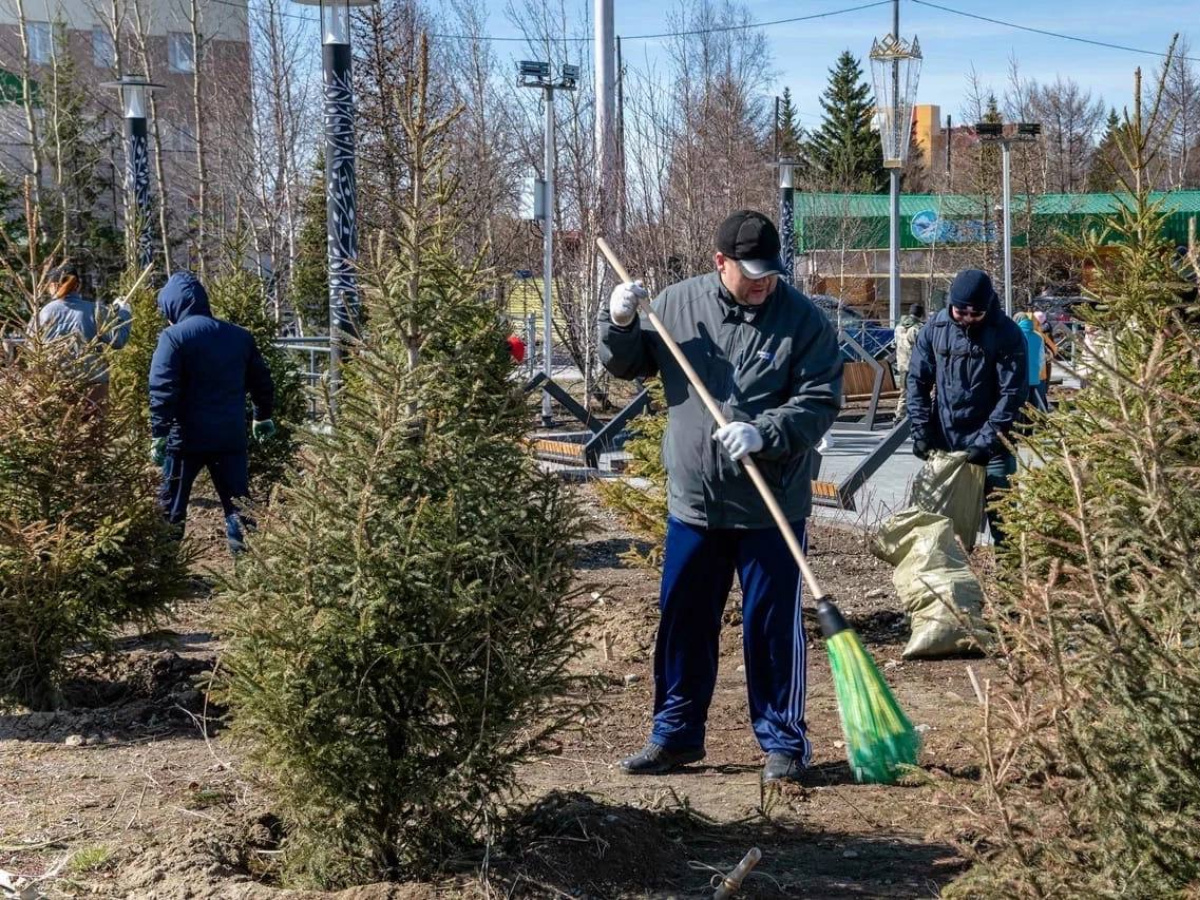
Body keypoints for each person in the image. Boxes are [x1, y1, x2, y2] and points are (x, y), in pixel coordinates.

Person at [599, 210, 843, 783]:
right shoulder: (678, 304)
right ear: (720, 263)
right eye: (750, 272)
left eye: (769, 273)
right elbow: (628, 363)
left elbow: (819, 399)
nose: (762, 283)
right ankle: (675, 734)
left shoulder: (802, 321)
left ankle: (783, 741)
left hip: (770, 505)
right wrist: (621, 320)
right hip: (694, 502)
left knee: (770, 626)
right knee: (683, 619)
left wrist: (768, 432)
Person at [149, 271, 275, 554]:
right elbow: (261, 380)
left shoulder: (173, 337)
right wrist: (262, 415)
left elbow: (162, 387)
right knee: (238, 506)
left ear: (172, 306)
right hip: (230, 438)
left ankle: (165, 569)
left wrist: (159, 431)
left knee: (172, 506)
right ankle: (247, 571)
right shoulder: (239, 336)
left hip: (185, 441)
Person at [907, 269, 1027, 547]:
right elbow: (917, 382)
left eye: (976, 314)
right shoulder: (934, 329)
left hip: (993, 445)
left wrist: (987, 442)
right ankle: (946, 581)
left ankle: (1010, 582)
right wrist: (921, 430)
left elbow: (1012, 394)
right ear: (951, 304)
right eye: (962, 313)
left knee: (1004, 521)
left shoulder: (1007, 333)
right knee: (937, 523)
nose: (968, 320)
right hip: (944, 439)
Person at [30, 263, 132, 406]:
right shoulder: (94, 310)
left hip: (54, 388)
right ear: (77, 285)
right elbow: (118, 340)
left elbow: (30, 351)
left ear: (51, 286)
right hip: (93, 388)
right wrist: (123, 313)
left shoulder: (42, 314)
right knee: (94, 427)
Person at [893, 303, 925, 419]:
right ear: (921, 314)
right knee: (918, 392)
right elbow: (922, 346)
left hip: (902, 364)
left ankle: (899, 416)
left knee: (903, 392)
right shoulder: (917, 328)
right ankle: (913, 416)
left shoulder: (898, 327)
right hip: (915, 365)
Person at [1015, 313, 1047, 415]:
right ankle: (1031, 429)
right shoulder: (1038, 337)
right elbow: (1042, 358)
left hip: (1018, 378)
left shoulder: (1014, 335)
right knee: (1033, 408)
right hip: (1035, 377)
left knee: (1019, 409)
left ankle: (1019, 430)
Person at [1031, 310, 1057, 409]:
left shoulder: (1038, 332)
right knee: (1041, 390)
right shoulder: (1046, 329)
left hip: (1039, 366)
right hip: (1044, 365)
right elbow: (1053, 348)